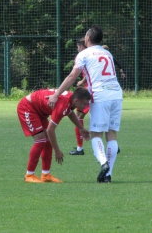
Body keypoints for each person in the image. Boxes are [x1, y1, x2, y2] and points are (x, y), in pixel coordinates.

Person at [48, 25, 123, 183]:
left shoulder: (83, 54)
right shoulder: (107, 53)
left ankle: (104, 164)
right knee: (111, 135)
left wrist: (56, 94)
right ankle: (108, 175)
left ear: (87, 38)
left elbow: (72, 77)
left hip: (100, 94)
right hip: (116, 93)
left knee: (96, 134)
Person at [17, 87, 91, 183]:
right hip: (28, 107)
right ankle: (29, 175)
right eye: (84, 104)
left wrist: (80, 128)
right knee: (41, 140)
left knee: (47, 142)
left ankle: (45, 175)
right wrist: (57, 151)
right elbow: (50, 130)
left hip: (40, 111)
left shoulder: (71, 99)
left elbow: (70, 112)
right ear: (76, 101)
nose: (86, 106)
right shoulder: (62, 105)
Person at [69, 42, 125, 156]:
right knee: (109, 125)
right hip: (111, 92)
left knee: (80, 118)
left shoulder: (84, 56)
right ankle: (114, 145)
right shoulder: (104, 55)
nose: (77, 49)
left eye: (78, 46)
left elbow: (82, 74)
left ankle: (80, 149)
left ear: (83, 46)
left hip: (91, 92)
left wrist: (82, 82)